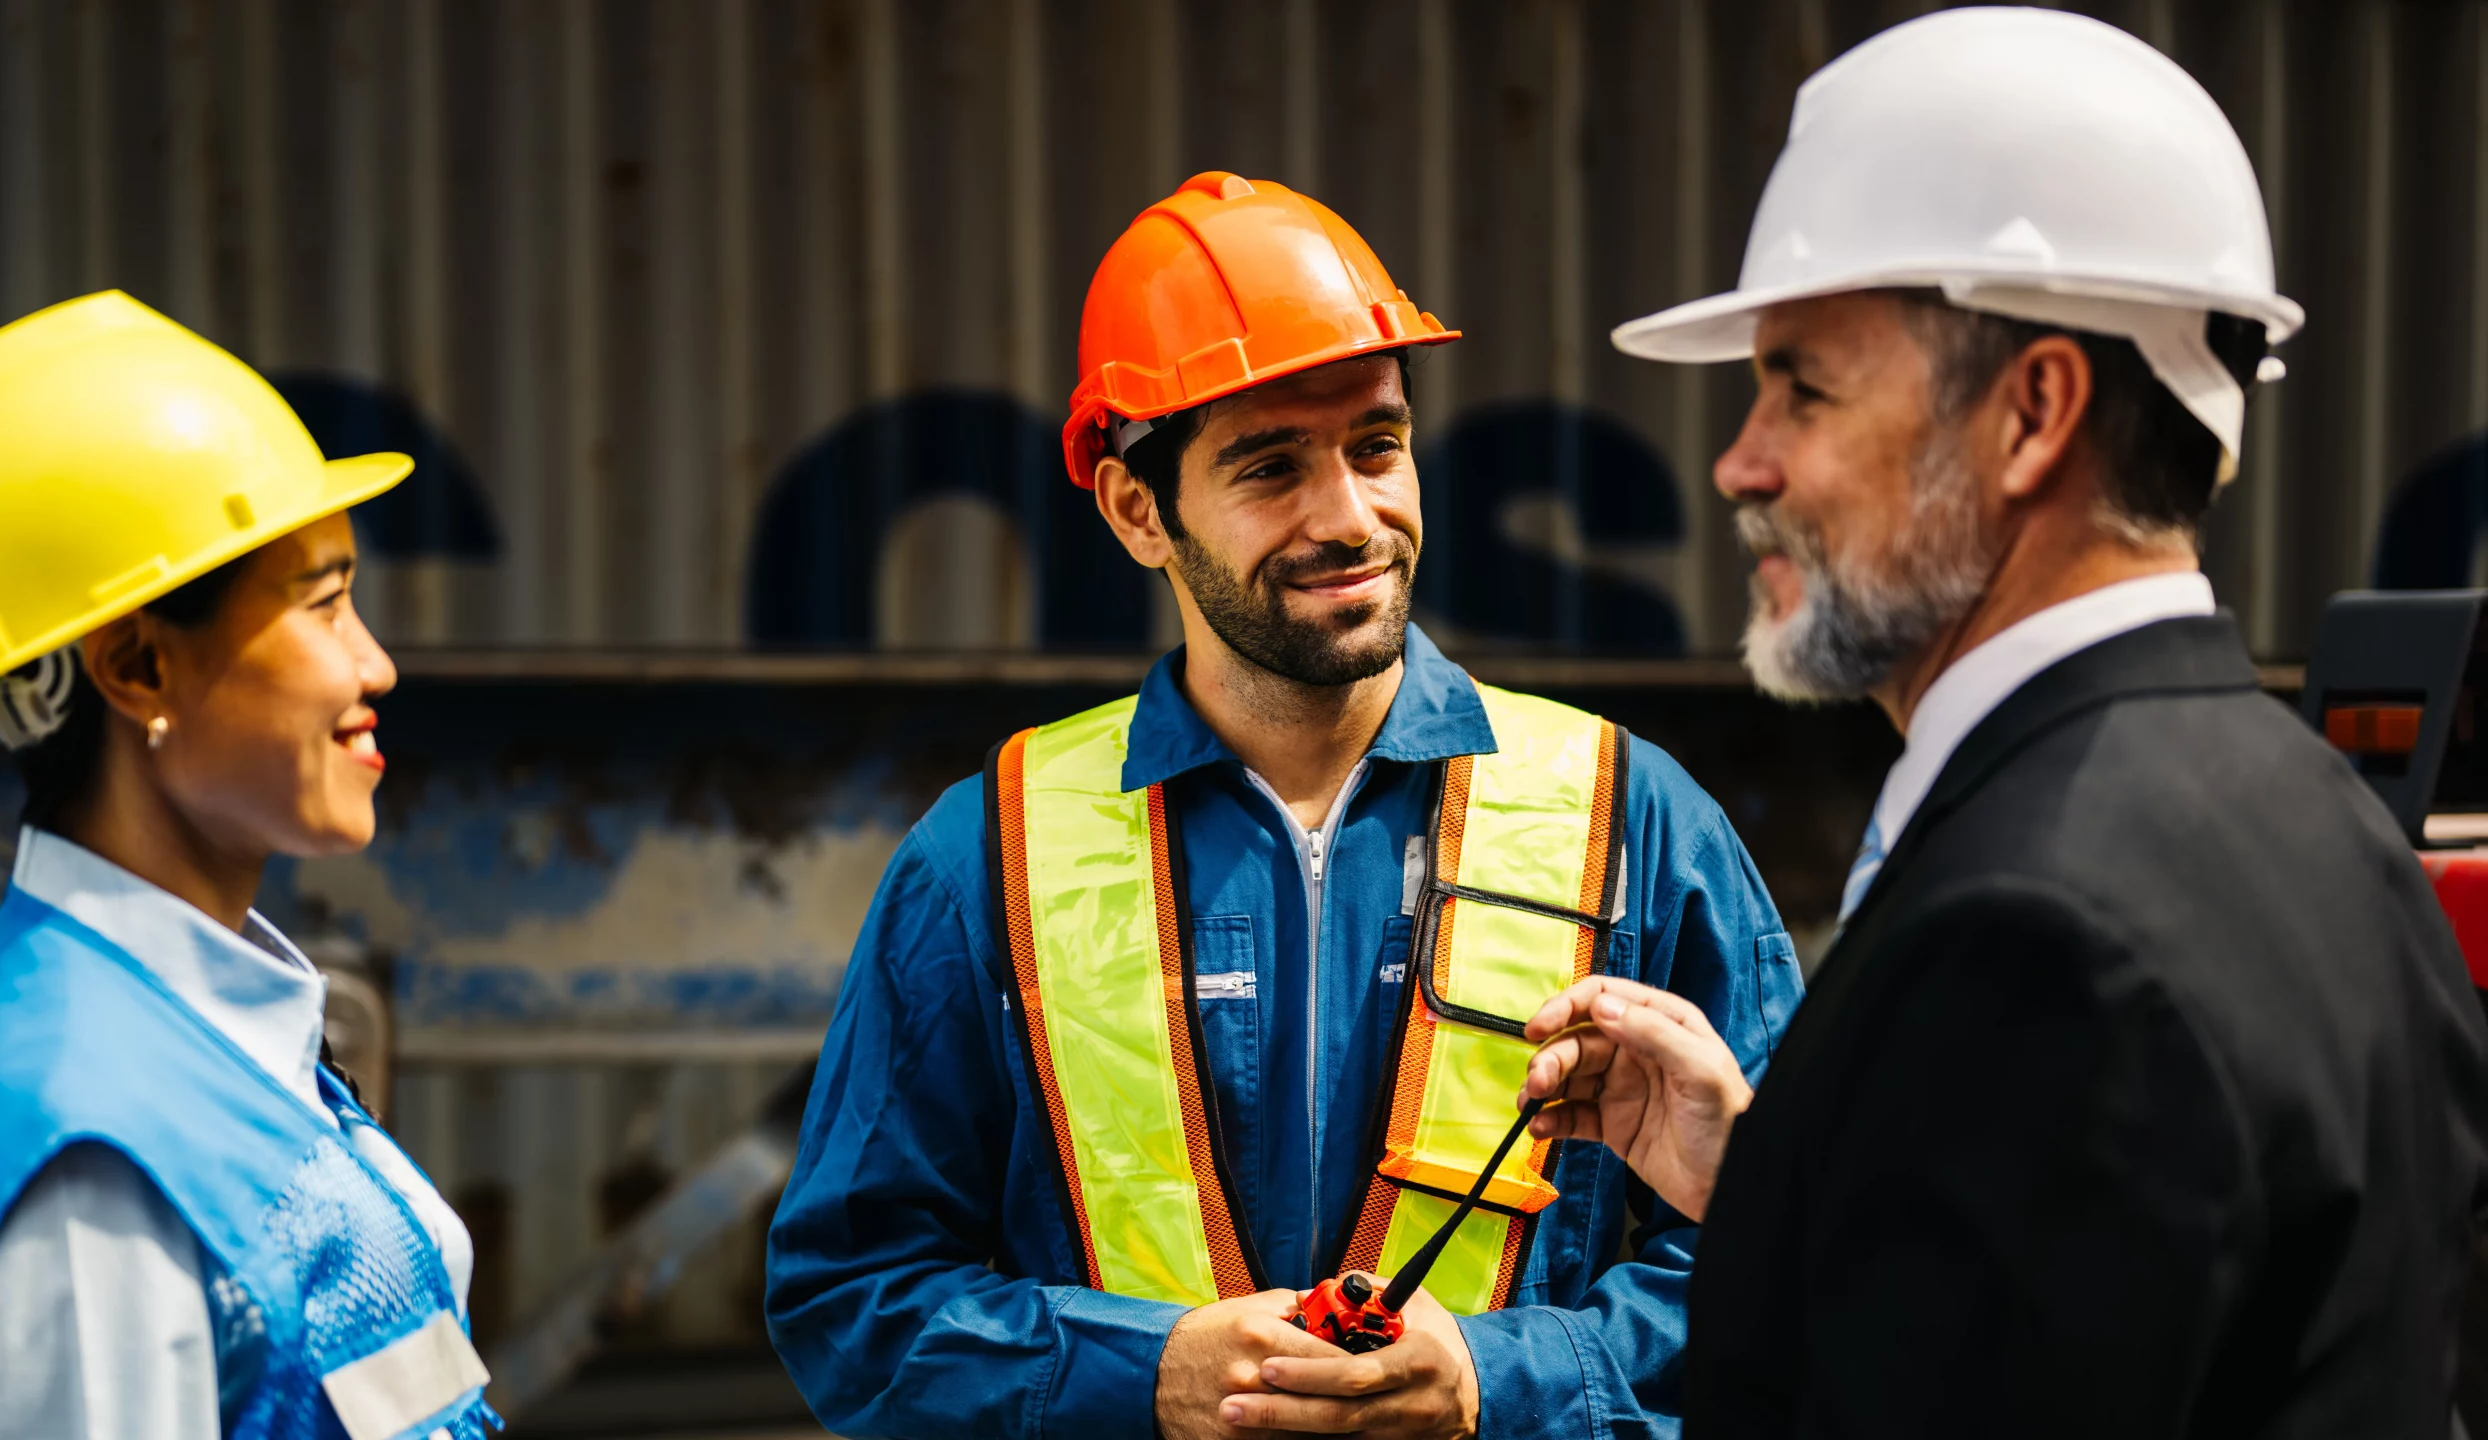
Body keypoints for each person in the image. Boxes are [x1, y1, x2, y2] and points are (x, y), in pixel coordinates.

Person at [1515, 10, 2488, 1437]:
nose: (1740, 461)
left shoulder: (2034, 942)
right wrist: (1785, 1179)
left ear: (2033, 412)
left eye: (1804, 386)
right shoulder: (2322, 814)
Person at [765, 173, 1804, 1440]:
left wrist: (1499, 1381)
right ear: (1136, 509)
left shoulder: (1630, 823)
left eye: (1377, 446)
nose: (1349, 516)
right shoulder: (986, 858)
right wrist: (1145, 1374)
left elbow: (1802, 1263)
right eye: (1270, 466)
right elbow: (852, 1302)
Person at [0, 293, 498, 1439]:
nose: (374, 663)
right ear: (137, 667)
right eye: (325, 604)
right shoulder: (89, 1160)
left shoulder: (202, 1037)